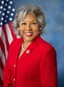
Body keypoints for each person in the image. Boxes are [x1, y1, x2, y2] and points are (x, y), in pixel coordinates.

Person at [3, 4, 58, 87]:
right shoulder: (14, 44)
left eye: (33, 23)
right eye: (24, 23)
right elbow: (8, 71)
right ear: (18, 26)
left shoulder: (46, 51)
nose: (28, 28)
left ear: (40, 26)